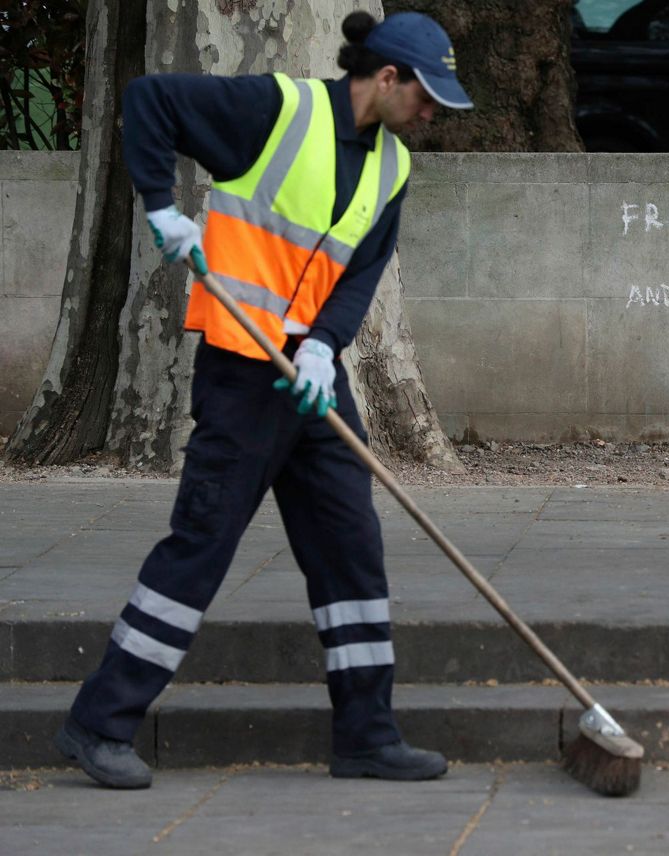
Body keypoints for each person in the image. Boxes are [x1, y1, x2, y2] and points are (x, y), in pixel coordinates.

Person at [54, 11, 473, 790]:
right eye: (425, 97)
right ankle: (97, 724)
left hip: (312, 382)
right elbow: (149, 99)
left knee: (351, 547)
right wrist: (160, 207)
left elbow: (359, 274)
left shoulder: (391, 169)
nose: (430, 114)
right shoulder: (280, 112)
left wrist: (323, 347)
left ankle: (366, 736)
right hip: (244, 372)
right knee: (201, 545)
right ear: (386, 78)